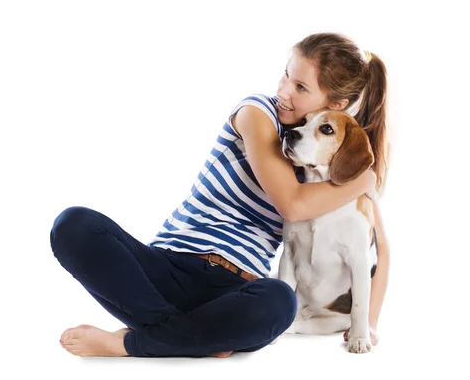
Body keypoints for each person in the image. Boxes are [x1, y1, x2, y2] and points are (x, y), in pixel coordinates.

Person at [50, 32, 390, 357]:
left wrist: (368, 325)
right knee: (74, 224)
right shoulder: (258, 112)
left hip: (234, 290)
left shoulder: (331, 156)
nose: (284, 91)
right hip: (167, 267)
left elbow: (376, 249)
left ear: (337, 104)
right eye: (286, 76)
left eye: (300, 87)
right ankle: (187, 338)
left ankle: (138, 342)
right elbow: (292, 205)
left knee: (279, 302)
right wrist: (363, 182)